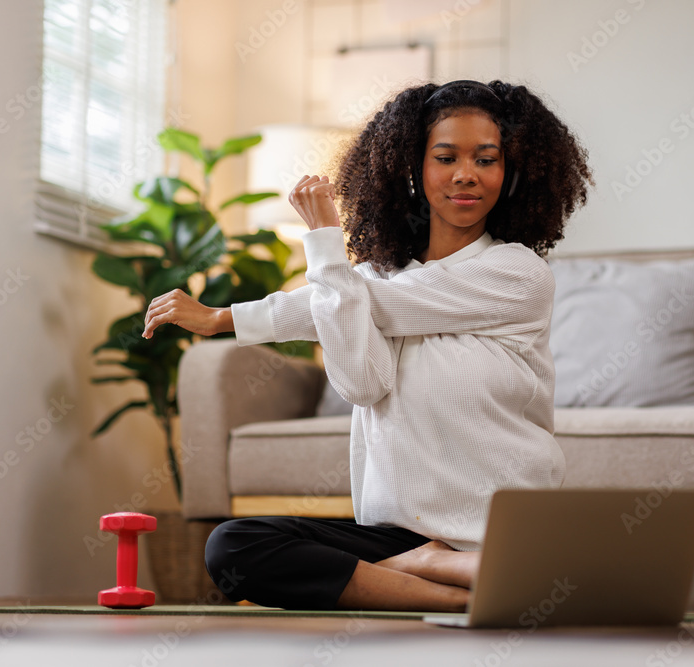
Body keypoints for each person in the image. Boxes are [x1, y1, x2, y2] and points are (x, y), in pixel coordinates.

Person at [141, 79, 593, 612]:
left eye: (486, 160)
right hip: (399, 535)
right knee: (234, 547)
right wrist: (327, 290)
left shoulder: (518, 272)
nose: (466, 174)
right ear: (412, 167)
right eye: (445, 157)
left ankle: (444, 577)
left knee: (356, 299)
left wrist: (232, 313)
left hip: (503, 531)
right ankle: (458, 588)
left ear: (512, 172)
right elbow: (361, 383)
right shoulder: (364, 284)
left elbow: (376, 302)